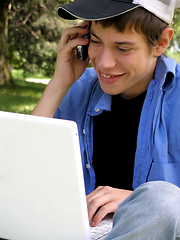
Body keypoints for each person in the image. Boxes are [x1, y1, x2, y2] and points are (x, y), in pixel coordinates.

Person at [32, 0, 180, 239]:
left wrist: (138, 202)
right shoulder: (76, 87)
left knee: (164, 201)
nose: (103, 62)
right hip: (75, 231)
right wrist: (59, 83)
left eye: (123, 48)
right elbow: (17, 172)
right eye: (96, 41)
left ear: (161, 42)